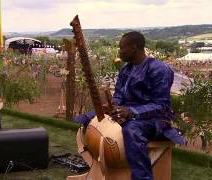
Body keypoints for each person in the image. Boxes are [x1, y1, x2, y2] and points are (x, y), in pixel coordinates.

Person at [75, 31, 184, 180]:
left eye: (122, 48)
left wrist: (131, 112)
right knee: (87, 118)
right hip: (128, 115)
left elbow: (162, 106)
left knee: (132, 130)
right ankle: (102, 168)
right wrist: (112, 106)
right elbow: (119, 95)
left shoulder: (159, 69)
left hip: (154, 120)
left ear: (133, 48)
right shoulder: (126, 69)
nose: (119, 51)